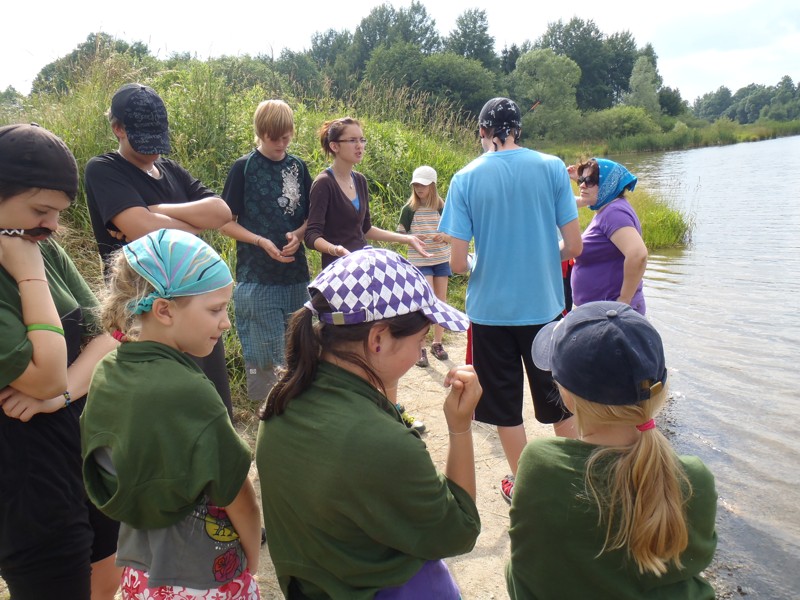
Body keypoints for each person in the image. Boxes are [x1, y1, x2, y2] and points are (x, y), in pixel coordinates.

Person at [257, 247, 481, 599]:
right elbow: (461, 530)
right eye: (420, 340)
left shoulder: (283, 400)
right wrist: (460, 426)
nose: (418, 351)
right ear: (377, 339)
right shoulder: (381, 443)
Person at [81, 229, 261, 600]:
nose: (225, 322)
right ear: (163, 310)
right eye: (215, 309)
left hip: (138, 572)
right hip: (203, 579)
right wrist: (253, 561)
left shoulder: (107, 370)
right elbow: (238, 494)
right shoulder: (190, 392)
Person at [507, 301, 717, 599]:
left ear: (566, 393)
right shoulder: (694, 478)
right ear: (661, 387)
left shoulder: (540, 465)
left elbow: (524, 573)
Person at [438, 97, 583, 503]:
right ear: (518, 129)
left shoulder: (465, 177)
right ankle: (574, 482)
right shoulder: (552, 167)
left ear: (483, 132)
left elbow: (457, 264)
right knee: (560, 400)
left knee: (504, 406)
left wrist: (482, 257)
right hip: (545, 308)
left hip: (490, 314)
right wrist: (539, 252)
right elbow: (574, 246)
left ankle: (526, 488)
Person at [0, 123, 120, 600]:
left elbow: (112, 334)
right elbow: (44, 374)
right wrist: (30, 278)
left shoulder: (37, 246)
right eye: (40, 210)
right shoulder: (31, 258)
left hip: (83, 448)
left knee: (106, 579)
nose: (51, 226)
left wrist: (63, 394)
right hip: (26, 481)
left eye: (59, 212)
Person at [84, 82, 235, 417]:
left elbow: (222, 213)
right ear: (118, 129)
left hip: (194, 302)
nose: (153, 150)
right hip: (144, 311)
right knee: (163, 406)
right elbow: (141, 229)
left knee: (209, 396)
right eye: (143, 141)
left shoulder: (169, 170)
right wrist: (193, 224)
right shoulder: (104, 169)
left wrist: (155, 209)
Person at [305, 116, 431, 431]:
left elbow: (365, 229)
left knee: (383, 344)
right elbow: (312, 235)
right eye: (353, 140)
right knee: (354, 351)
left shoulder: (359, 180)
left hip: (369, 277)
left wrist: (405, 238)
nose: (360, 145)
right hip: (341, 281)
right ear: (335, 146)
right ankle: (357, 418)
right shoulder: (323, 184)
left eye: (362, 140)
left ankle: (392, 413)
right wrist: (335, 251)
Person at [221, 99, 312, 401]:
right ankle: (268, 422)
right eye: (275, 138)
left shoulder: (298, 167)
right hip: (257, 280)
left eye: (287, 136)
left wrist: (298, 234)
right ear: (261, 133)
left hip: (297, 277)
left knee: (301, 354)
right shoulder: (243, 168)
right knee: (266, 363)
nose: (282, 143)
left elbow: (311, 218)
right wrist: (261, 241)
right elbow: (225, 224)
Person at [567, 158, 648, 315]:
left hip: (612, 316)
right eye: (582, 180)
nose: (582, 185)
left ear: (608, 184)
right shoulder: (607, 208)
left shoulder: (614, 213)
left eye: (590, 181)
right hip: (601, 313)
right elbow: (571, 202)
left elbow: (638, 255)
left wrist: (624, 301)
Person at [397, 165, 452, 368]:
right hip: (420, 261)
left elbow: (453, 236)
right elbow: (400, 235)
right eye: (416, 184)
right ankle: (420, 347)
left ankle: (437, 343)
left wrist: (442, 237)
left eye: (423, 185)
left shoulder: (442, 207)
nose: (419, 188)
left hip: (440, 259)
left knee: (441, 302)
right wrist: (412, 238)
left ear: (432, 186)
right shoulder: (409, 209)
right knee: (426, 302)